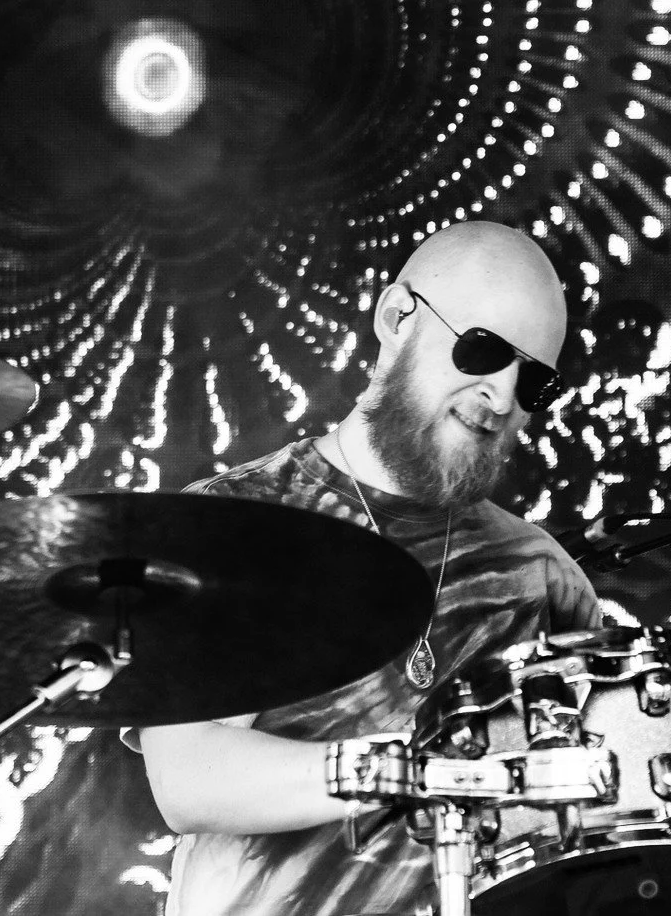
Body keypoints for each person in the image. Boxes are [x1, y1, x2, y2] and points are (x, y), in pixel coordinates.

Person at [134, 220, 602, 916]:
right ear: (395, 317)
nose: (501, 397)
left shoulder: (543, 574)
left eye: (532, 381)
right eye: (482, 350)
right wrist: (418, 769)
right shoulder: (234, 519)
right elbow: (189, 779)